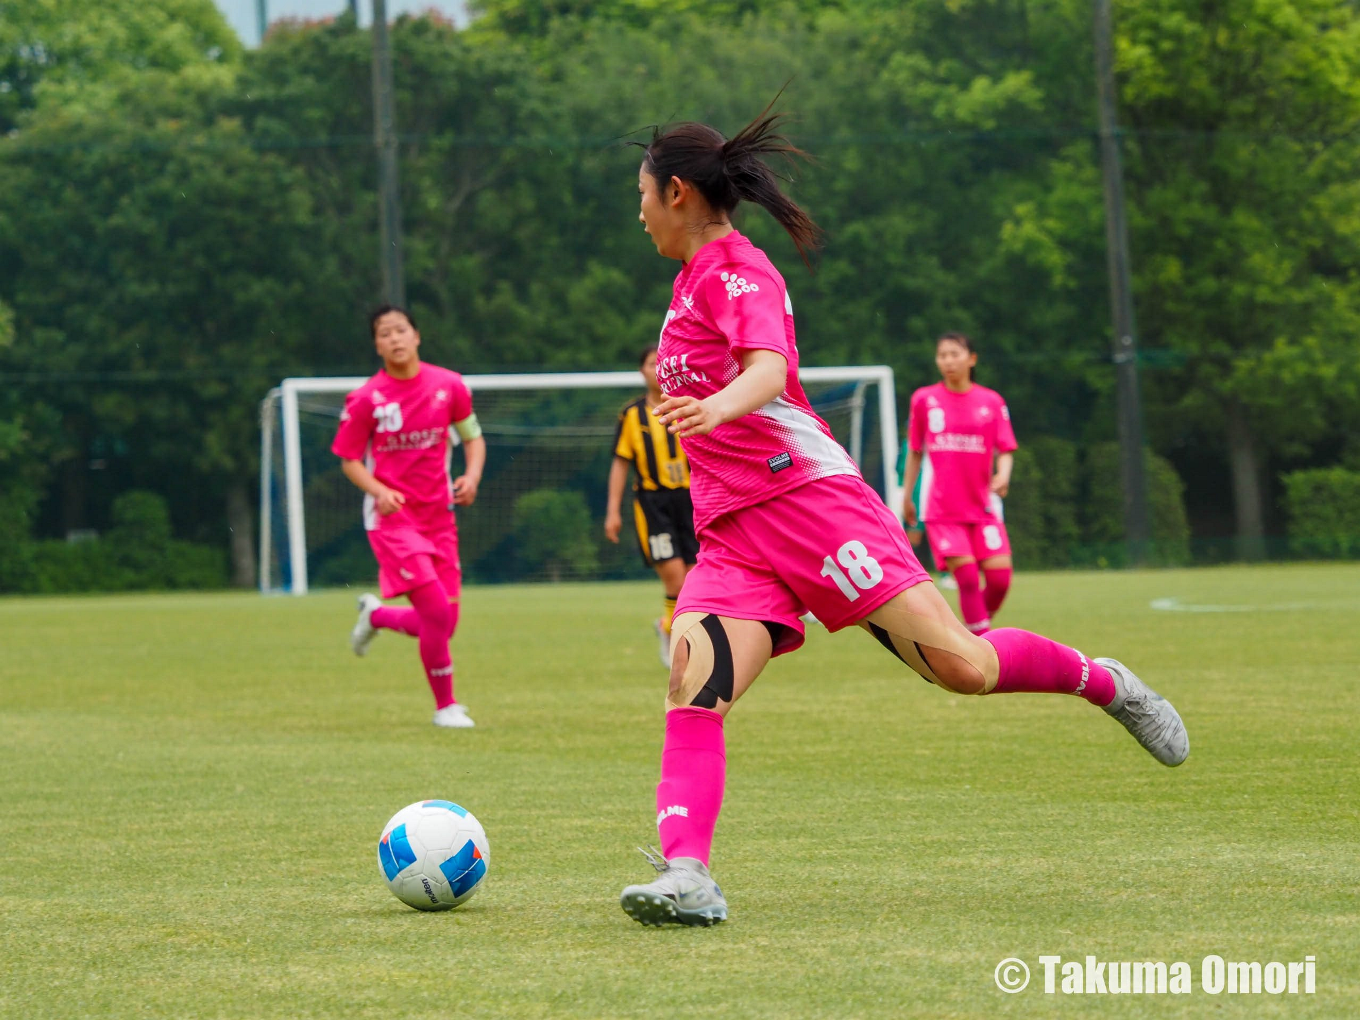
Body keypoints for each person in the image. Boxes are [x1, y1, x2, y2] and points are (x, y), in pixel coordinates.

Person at [618, 104, 1188, 928]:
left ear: (675, 192)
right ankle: (688, 875)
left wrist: (717, 410)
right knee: (693, 688)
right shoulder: (685, 284)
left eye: (640, 193)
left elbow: (769, 369)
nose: (636, 211)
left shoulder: (741, 271)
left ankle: (1107, 683)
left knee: (963, 666)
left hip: (809, 506)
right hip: (736, 532)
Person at [332, 305, 486, 729]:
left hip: (440, 516)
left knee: (444, 622)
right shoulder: (366, 399)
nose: (395, 339)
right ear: (376, 344)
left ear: (417, 335)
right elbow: (348, 459)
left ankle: (375, 616)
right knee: (436, 611)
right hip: (393, 521)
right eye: (385, 333)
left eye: (401, 330)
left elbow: (473, 438)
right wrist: (379, 490)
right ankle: (445, 707)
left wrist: (471, 477)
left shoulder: (449, 385)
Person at [903, 333, 1015, 634]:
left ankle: (971, 630)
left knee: (1000, 579)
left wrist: (1003, 475)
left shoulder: (991, 402)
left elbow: (1006, 449)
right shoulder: (925, 400)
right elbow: (915, 452)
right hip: (943, 509)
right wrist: (906, 497)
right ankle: (983, 643)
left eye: (955, 354)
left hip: (983, 506)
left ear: (972, 359)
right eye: (942, 355)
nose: (948, 361)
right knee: (966, 578)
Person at [604, 345, 700, 667]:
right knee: (675, 580)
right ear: (641, 371)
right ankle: (674, 638)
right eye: (649, 363)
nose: (656, 369)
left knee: (695, 578)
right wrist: (612, 511)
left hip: (692, 500)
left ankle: (670, 627)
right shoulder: (632, 415)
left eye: (661, 363)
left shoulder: (692, 405)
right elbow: (620, 463)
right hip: (653, 504)